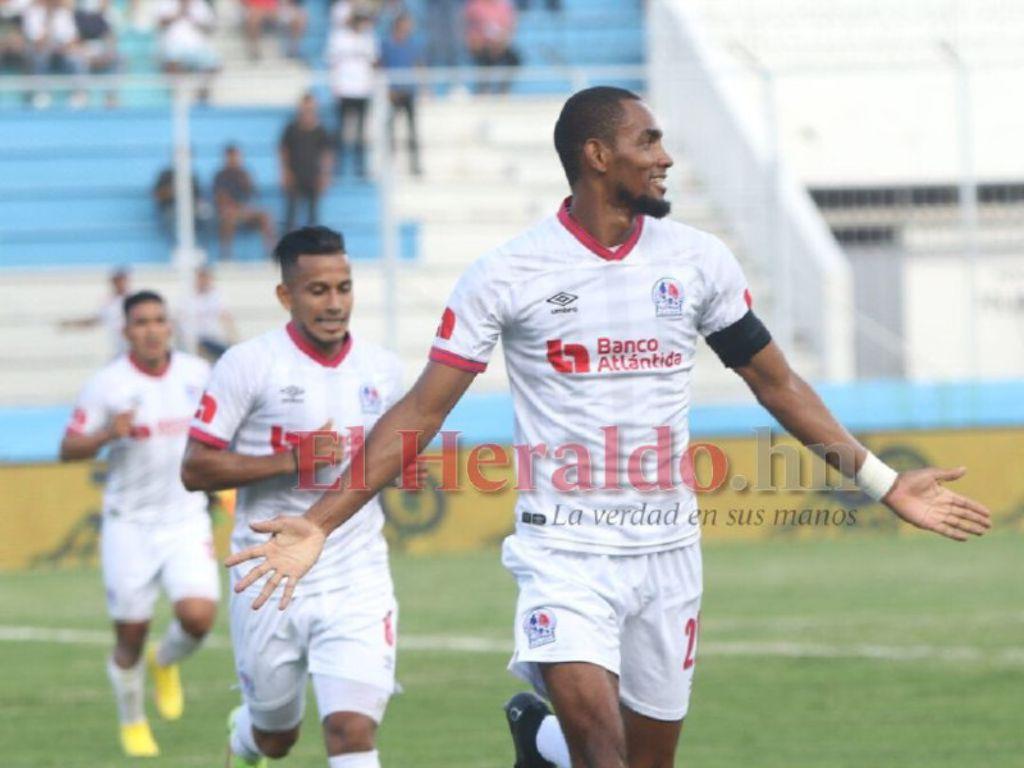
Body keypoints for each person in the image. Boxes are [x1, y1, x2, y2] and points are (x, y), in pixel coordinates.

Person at [225, 87, 993, 768]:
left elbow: (775, 382)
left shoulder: (699, 261)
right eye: (648, 142)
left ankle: (539, 742)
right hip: (565, 552)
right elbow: (423, 410)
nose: (665, 158)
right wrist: (323, 522)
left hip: (668, 554)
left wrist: (885, 484)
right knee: (603, 756)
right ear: (598, 156)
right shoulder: (509, 273)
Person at [180, 226, 406, 768]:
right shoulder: (248, 365)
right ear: (287, 296)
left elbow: (396, 459)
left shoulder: (383, 371)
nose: (334, 303)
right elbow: (195, 468)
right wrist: (294, 460)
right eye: (318, 290)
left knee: (351, 729)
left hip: (357, 576)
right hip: (268, 578)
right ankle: (246, 737)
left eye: (344, 287)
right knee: (276, 737)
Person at [59, 290, 219, 758]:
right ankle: (132, 721)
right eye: (141, 322)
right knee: (129, 633)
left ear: (170, 326)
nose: (151, 329)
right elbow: (68, 448)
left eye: (158, 320)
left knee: (198, 617)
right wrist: (110, 433)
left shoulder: (198, 375)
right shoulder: (107, 385)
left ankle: (164, 662)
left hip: (186, 518)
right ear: (126, 331)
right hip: (129, 525)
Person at [327, 11, 377, 179]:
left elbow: (374, 62)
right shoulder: (339, 38)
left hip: (363, 91)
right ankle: (339, 168)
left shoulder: (369, 39)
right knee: (341, 131)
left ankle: (360, 167)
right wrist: (336, 87)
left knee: (361, 132)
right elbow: (332, 63)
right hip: (345, 90)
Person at [279, 93, 334, 231]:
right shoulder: (291, 129)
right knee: (290, 214)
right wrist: (285, 172)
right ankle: (289, 246)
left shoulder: (321, 131)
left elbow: (327, 155)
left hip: (313, 176)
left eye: (310, 108)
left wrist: (325, 176)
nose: (307, 111)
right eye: (305, 108)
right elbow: (283, 151)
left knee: (313, 215)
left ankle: (311, 247)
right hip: (294, 175)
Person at [213, 143, 276, 260]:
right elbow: (220, 197)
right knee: (228, 216)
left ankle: (271, 253)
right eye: (232, 156)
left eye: (237, 156)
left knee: (265, 216)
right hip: (228, 211)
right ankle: (226, 255)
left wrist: (247, 184)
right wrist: (232, 206)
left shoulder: (244, 174)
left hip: (245, 210)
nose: (235, 159)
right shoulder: (220, 175)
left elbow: (252, 195)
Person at [22, 0, 88, 108]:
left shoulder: (64, 13)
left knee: (76, 58)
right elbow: (38, 43)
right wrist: (49, 20)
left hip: (62, 52)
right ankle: (41, 93)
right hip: (42, 52)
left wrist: (64, 48)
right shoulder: (33, 13)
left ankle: (78, 94)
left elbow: (72, 40)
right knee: (39, 56)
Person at [380, 11, 422, 175]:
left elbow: (418, 64)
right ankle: (390, 164)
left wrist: (424, 88)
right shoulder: (387, 45)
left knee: (412, 130)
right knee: (390, 130)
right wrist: (387, 89)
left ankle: (415, 164)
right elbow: (382, 66)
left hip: (408, 92)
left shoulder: (412, 44)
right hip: (393, 93)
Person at [58, 266, 132, 355]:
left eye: (122, 280)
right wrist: (70, 324)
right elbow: (94, 321)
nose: (120, 283)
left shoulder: (135, 300)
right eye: (117, 280)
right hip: (119, 351)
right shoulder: (108, 303)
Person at [155, 0, 219, 100]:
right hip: (174, 46)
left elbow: (209, 27)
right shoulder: (166, 3)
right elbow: (160, 23)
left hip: (197, 47)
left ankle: (202, 94)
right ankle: (176, 93)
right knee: (172, 59)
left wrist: (194, 19)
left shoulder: (200, 4)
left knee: (213, 62)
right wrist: (179, 12)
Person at [176, 265, 238, 361]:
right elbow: (181, 321)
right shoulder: (188, 299)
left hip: (214, 339)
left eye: (205, 277)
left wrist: (234, 341)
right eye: (200, 277)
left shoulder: (217, 297)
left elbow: (227, 318)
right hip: (196, 339)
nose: (203, 281)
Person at [463, 0, 518, 94]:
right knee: (484, 58)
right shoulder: (474, 6)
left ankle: (503, 89)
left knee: (514, 59)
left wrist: (501, 42)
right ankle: (484, 89)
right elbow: (465, 26)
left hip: (499, 45)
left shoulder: (503, 6)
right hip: (481, 45)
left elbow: (510, 28)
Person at [241, 0, 307, 61]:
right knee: (254, 16)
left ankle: (293, 51)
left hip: (275, 10)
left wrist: (281, 6)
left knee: (300, 17)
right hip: (255, 9)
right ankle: (254, 51)